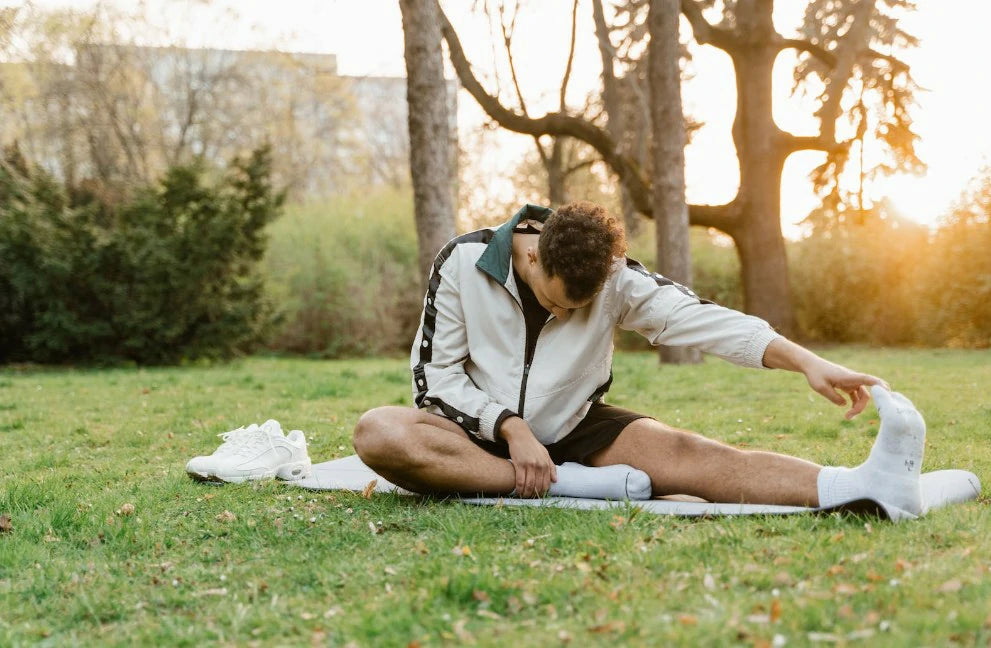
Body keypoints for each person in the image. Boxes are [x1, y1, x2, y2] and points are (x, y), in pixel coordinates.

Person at [352, 202, 926, 515]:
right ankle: (561, 485)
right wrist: (509, 426)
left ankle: (858, 486)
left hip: (576, 426)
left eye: (580, 308)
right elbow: (434, 381)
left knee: (692, 453)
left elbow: (701, 319)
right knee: (380, 432)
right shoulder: (461, 262)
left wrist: (804, 361)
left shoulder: (615, 277)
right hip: (475, 437)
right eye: (556, 300)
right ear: (531, 259)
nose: (565, 314)